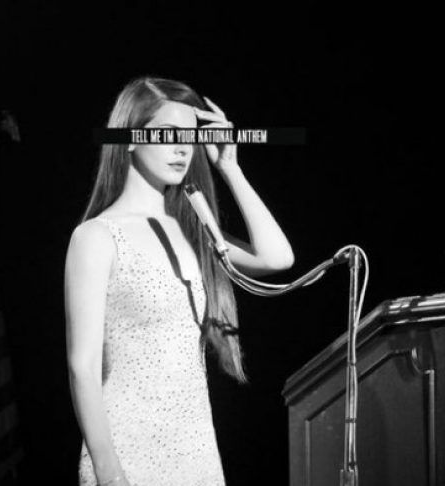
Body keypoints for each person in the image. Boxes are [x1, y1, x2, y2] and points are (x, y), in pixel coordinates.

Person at [65, 76, 295, 486]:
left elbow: (277, 258)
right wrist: (108, 471)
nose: (182, 147)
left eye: (189, 135)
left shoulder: (195, 232)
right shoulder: (96, 237)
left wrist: (230, 168)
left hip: (196, 455)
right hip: (126, 454)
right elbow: (82, 366)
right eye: (168, 133)